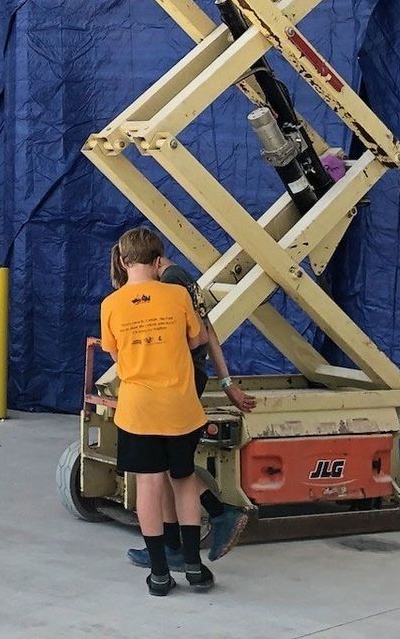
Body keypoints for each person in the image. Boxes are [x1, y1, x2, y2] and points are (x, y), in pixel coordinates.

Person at [100, 226, 255, 596]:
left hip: (138, 409)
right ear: (158, 261)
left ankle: (159, 573)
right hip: (180, 407)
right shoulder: (177, 294)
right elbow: (198, 338)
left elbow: (116, 354)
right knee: (183, 480)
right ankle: (194, 568)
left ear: (123, 260)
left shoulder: (111, 305)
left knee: (149, 486)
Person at [123, 258, 249, 569]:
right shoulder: (183, 279)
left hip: (177, 378)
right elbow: (208, 331)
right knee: (168, 466)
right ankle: (173, 546)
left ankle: (218, 512)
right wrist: (226, 381)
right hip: (188, 376)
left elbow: (191, 336)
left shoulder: (169, 286)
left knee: (167, 466)